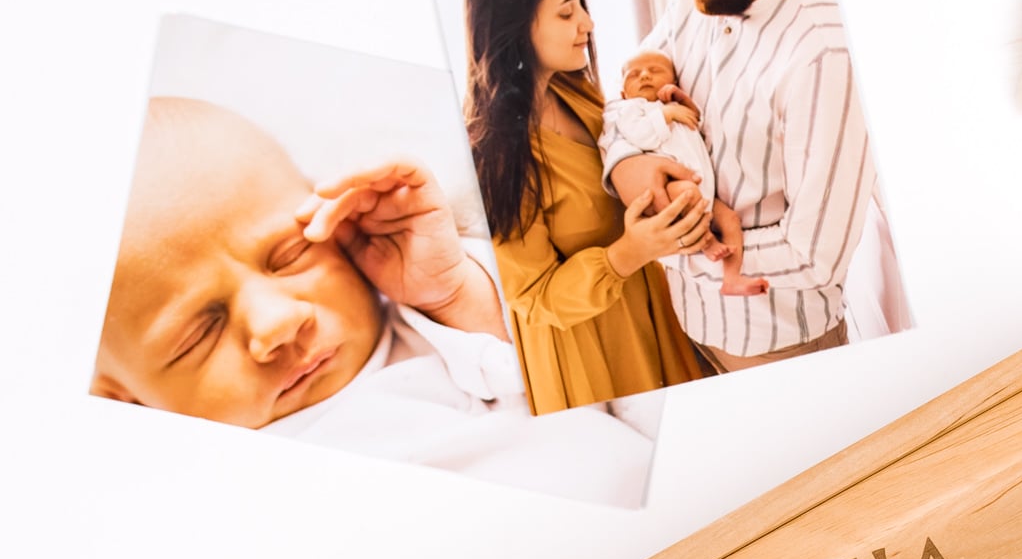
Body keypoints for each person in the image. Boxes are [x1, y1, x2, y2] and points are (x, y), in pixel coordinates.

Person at [90, 98, 653, 500]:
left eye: (289, 254)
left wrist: (456, 293)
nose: (278, 322)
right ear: (128, 405)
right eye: (196, 335)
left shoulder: (430, 318)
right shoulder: (207, 481)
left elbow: (584, 366)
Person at [600, 0, 877, 371]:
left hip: (780, 351)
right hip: (694, 329)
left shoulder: (824, 51)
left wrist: (680, 246)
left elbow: (814, 255)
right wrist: (637, 162)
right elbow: (634, 86)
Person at [463, 0, 711, 413]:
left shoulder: (576, 94)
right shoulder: (495, 154)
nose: (588, 24)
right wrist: (628, 253)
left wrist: (668, 121)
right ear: (516, 27)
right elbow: (533, 297)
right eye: (566, 12)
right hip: (588, 354)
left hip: (644, 309)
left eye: (582, 5)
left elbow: (626, 155)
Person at [602, 49, 766, 297]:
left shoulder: (675, 106)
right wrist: (665, 114)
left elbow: (697, 122)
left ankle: (732, 277)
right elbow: (639, 133)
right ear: (624, 93)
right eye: (634, 75)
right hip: (672, 186)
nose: (645, 75)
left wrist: (680, 101)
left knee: (731, 220)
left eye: (655, 70)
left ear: (674, 82)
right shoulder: (631, 110)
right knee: (688, 194)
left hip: (703, 188)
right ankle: (708, 242)